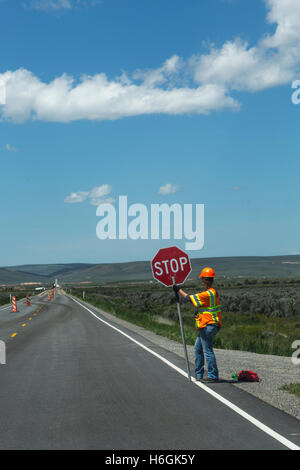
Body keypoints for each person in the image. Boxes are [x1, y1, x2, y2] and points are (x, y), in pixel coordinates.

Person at [173, 267, 222, 383]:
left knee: (207, 350)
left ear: (205, 280)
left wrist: (179, 290)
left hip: (208, 325)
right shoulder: (212, 292)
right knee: (197, 348)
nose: (202, 282)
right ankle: (199, 374)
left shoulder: (208, 294)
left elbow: (190, 299)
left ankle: (213, 375)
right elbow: (200, 304)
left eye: (202, 280)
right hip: (208, 325)